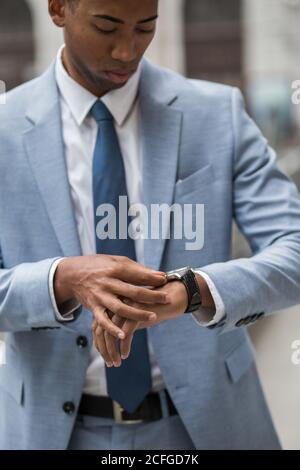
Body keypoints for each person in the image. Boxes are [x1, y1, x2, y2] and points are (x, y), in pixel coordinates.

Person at [0, 0, 300, 450]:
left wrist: (194, 290)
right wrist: (59, 280)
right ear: (59, 9)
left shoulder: (218, 114)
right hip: (52, 432)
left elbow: (293, 249)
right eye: (107, 27)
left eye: (146, 27)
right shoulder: (3, 130)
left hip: (210, 427)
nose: (127, 50)